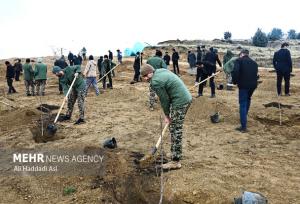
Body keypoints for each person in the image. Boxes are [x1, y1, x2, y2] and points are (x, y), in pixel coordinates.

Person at [140, 64, 192, 169]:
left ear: (150, 73)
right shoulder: (160, 71)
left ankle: (176, 161)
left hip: (180, 102)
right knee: (173, 128)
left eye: (145, 76)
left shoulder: (155, 82)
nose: (145, 79)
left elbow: (164, 100)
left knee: (176, 130)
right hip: (185, 98)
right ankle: (174, 152)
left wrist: (167, 115)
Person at [232, 49, 258, 133]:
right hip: (253, 85)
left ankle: (243, 127)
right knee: (248, 99)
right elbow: (256, 75)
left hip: (243, 85)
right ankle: (244, 117)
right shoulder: (254, 63)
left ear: (242, 54)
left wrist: (234, 81)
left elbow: (235, 71)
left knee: (243, 103)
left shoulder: (239, 60)